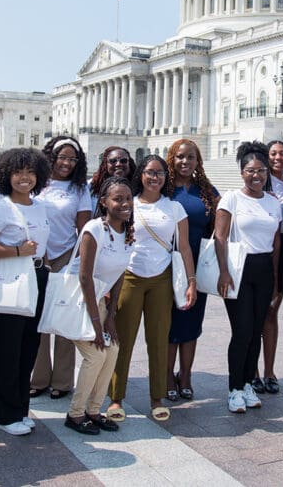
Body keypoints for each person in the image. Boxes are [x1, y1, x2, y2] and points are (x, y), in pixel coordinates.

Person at [108, 155, 196, 423]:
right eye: (149, 172)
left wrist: (191, 281)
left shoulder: (174, 208)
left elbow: (183, 246)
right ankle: (115, 398)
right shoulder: (129, 204)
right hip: (130, 276)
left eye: (159, 173)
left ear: (165, 177)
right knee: (123, 338)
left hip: (161, 278)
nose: (154, 177)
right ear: (141, 175)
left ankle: (157, 397)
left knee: (158, 339)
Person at [0, 148, 51, 435]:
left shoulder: (39, 205)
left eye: (30, 172)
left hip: (37, 277)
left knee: (28, 348)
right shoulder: (1, 207)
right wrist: (17, 250)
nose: (25, 178)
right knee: (6, 350)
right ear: (7, 175)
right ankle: (4, 415)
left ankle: (19, 408)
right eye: (19, 172)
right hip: (9, 280)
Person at [214, 142, 282, 413]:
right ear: (242, 172)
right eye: (251, 170)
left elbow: (276, 243)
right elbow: (220, 236)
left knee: (256, 331)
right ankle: (233, 388)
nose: (257, 176)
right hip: (238, 267)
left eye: (262, 171)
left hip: (264, 268)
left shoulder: (273, 203)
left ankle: (247, 385)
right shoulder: (231, 198)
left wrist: (276, 279)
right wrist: (223, 271)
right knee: (241, 330)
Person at [65, 176, 135, 435]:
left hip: (100, 302)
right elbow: (84, 277)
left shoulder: (127, 232)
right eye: (118, 199)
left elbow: (119, 276)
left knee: (113, 350)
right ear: (104, 202)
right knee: (95, 355)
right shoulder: (94, 229)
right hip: (80, 300)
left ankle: (94, 411)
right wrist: (96, 322)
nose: (125, 203)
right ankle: (74, 414)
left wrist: (110, 316)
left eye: (128, 198)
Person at [30, 137, 92, 401]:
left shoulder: (79, 189)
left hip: (67, 254)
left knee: (65, 317)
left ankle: (63, 380)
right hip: (37, 254)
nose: (66, 163)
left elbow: (84, 228)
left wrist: (78, 261)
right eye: (61, 157)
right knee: (38, 319)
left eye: (72, 159)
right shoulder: (37, 182)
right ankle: (39, 377)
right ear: (50, 156)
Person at [165, 139, 220, 402]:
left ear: (198, 161)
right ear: (171, 159)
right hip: (166, 264)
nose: (185, 162)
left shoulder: (207, 190)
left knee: (191, 319)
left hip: (197, 263)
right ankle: (166, 374)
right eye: (180, 157)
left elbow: (223, 221)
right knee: (168, 321)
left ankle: (185, 374)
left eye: (191, 158)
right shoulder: (162, 188)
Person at [253, 139, 283, 394]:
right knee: (254, 314)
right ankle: (253, 371)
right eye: (273, 153)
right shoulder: (258, 181)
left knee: (271, 312)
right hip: (261, 247)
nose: (278, 158)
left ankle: (270, 371)